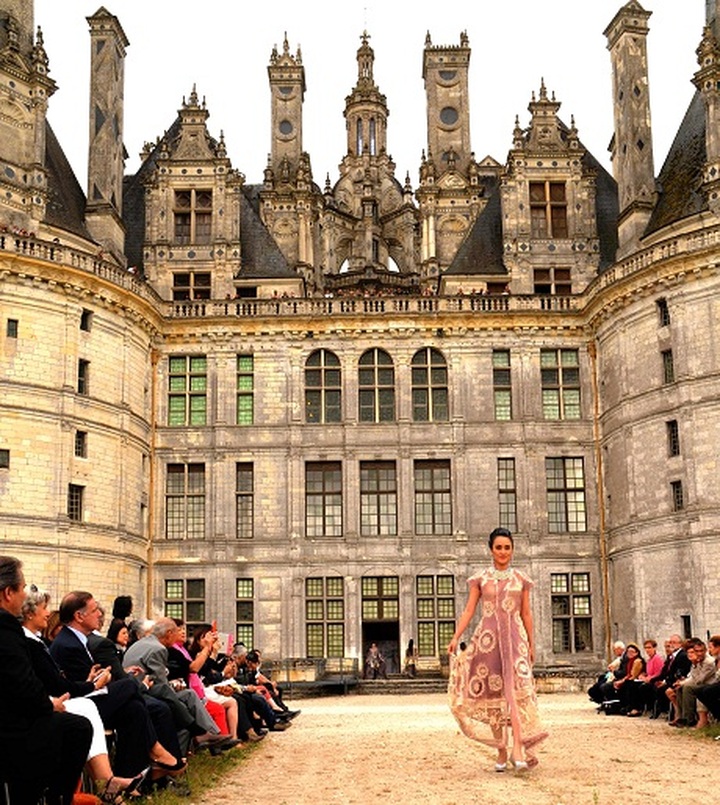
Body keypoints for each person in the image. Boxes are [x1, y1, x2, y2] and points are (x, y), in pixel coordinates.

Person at [21, 585, 147, 801]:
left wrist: (88, 682)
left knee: (134, 708)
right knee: (129, 689)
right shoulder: (33, 643)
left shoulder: (36, 642)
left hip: (65, 698)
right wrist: (93, 686)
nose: (49, 614)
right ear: (30, 612)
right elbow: (56, 685)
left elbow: (57, 681)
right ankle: (104, 782)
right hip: (52, 705)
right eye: (44, 608)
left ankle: (116, 780)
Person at [447, 527, 547, 772]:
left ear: (512, 550)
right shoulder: (480, 579)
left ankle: (518, 749)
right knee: (493, 697)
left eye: (507, 547)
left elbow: (525, 613)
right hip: (487, 643)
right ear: (491, 549)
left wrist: (531, 644)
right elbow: (469, 610)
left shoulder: (521, 580)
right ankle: (501, 749)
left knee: (517, 693)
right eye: (498, 547)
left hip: (515, 642)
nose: (503, 552)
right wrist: (456, 636)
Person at [0, 556, 92, 805]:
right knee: (78, 728)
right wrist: (49, 704)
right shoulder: (6, 628)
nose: (23, 596)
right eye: (22, 589)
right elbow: (22, 683)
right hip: (9, 729)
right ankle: (54, 797)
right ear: (8, 593)